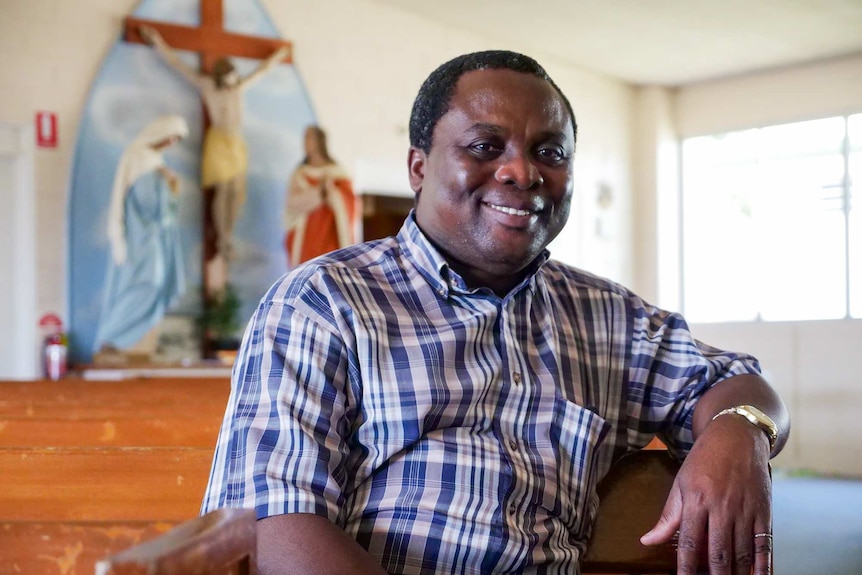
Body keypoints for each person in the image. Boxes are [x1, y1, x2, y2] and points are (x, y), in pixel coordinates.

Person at [202, 51, 789, 575]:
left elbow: (738, 383)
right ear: (418, 167)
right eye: (485, 147)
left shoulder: (607, 318)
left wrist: (740, 429)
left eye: (549, 152)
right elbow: (271, 521)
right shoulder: (323, 301)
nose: (522, 172)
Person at [140, 25, 290, 263]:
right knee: (223, 189)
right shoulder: (208, 86)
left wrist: (278, 56)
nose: (231, 86)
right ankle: (222, 236)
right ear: (220, 79)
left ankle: (228, 235)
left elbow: (262, 71)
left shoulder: (239, 87)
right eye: (227, 82)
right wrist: (158, 42)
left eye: (233, 81)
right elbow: (178, 66)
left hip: (236, 143)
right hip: (218, 142)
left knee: (236, 190)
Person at [94, 115, 189, 356]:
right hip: (140, 236)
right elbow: (145, 202)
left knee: (154, 284)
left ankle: (131, 340)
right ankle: (113, 336)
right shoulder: (136, 155)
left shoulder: (157, 162)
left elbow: (165, 206)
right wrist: (163, 183)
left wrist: (169, 184)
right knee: (146, 283)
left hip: (154, 237)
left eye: (175, 140)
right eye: (171, 137)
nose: (170, 143)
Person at [283, 125, 358, 268]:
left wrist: (331, 193)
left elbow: (348, 204)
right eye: (304, 138)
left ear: (319, 141)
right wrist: (319, 192)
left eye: (309, 137)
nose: (305, 142)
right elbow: (291, 204)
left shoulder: (337, 173)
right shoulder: (299, 175)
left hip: (329, 239)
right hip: (304, 241)